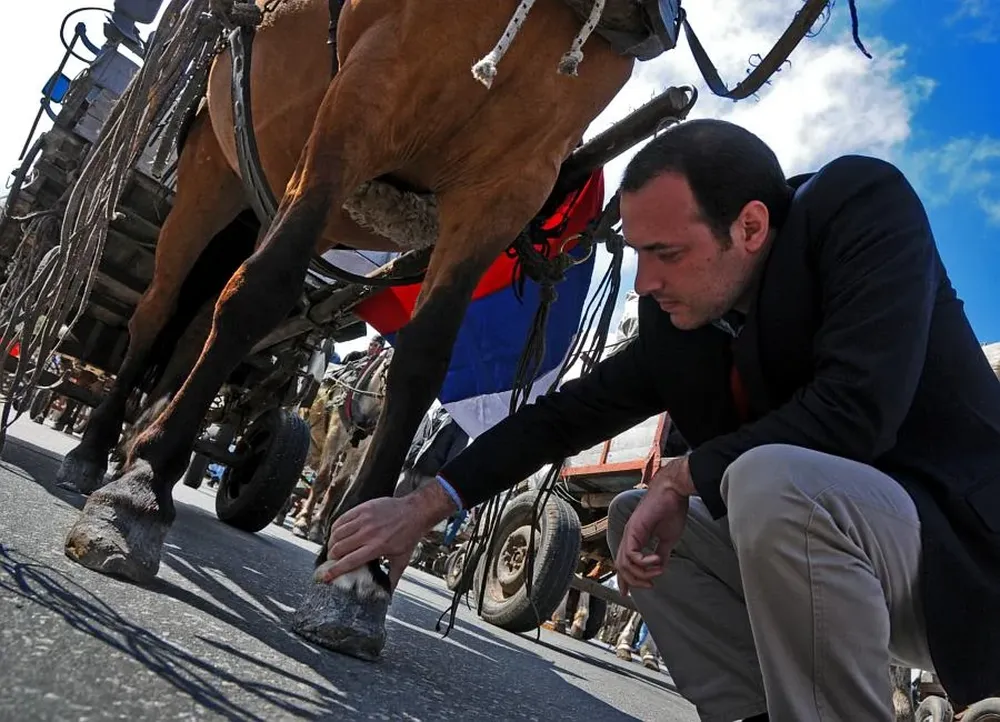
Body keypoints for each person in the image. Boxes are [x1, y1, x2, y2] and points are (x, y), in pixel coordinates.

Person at [320, 119, 1000, 720]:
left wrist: (682, 478)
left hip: (964, 558)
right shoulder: (684, 325)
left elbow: (856, 412)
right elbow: (564, 416)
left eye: (665, 253)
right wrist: (423, 506)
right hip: (846, 565)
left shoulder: (856, 205)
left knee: (765, 480)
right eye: (640, 253)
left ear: (752, 227)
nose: (644, 282)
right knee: (635, 520)